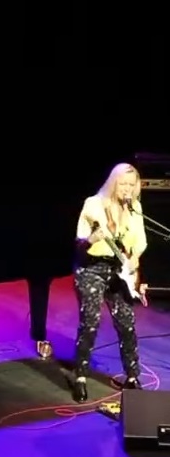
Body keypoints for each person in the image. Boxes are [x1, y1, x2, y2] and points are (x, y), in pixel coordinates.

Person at [71, 162, 148, 402]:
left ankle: (132, 376)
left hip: (119, 270)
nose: (127, 189)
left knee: (127, 323)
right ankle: (80, 376)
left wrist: (134, 261)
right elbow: (80, 243)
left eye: (131, 185)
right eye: (123, 184)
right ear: (114, 183)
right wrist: (91, 239)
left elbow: (140, 242)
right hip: (91, 268)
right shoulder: (94, 204)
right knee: (90, 322)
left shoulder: (135, 207)